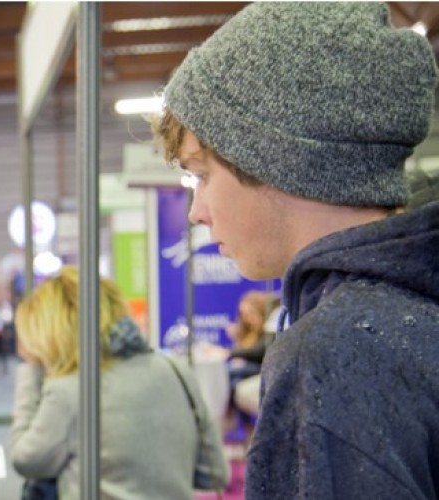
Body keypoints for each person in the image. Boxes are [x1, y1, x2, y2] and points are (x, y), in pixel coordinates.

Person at [153, 3, 439, 496]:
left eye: (202, 175)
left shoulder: (331, 354)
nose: (197, 211)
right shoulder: (411, 307)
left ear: (276, 159)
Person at [9, 266, 228, 499]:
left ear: (49, 336)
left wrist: (30, 370)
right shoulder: (176, 371)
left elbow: (25, 460)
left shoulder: (71, 390)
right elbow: (213, 473)